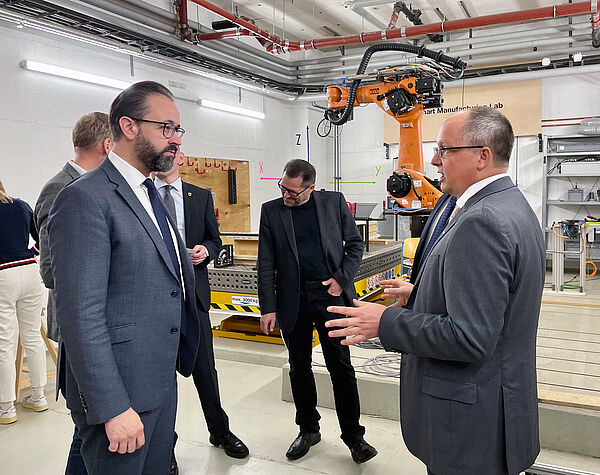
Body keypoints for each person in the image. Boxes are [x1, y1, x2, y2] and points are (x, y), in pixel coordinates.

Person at [326, 107, 545, 475]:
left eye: (444, 150)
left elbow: (470, 338)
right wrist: (420, 294)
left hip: (469, 425)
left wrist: (386, 321)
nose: (433, 160)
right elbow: (495, 306)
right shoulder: (510, 206)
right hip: (495, 407)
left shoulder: (481, 222)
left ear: (482, 156)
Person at [48, 81, 200, 475]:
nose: (174, 140)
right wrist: (112, 405)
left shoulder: (149, 193)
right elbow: (80, 315)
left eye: (177, 130)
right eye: (166, 128)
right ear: (129, 127)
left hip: (158, 378)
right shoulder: (85, 198)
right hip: (121, 391)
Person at [257, 159, 377, 464]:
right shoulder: (271, 211)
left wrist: (341, 279)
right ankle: (308, 430)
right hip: (292, 301)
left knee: (341, 367)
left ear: (310, 187)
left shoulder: (333, 203)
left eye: (294, 192)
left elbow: (354, 245)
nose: (287, 196)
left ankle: (354, 437)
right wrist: (267, 307)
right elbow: (266, 262)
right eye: (283, 188)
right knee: (299, 367)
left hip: (330, 297)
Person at [154, 152, 249, 472]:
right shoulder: (143, 194)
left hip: (193, 298)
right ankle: (163, 444)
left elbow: (214, 238)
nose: (166, 157)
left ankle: (220, 431)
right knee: (161, 379)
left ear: (180, 157)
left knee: (205, 370)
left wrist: (206, 250)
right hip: (155, 302)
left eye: (171, 152)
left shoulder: (201, 196)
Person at [34, 111, 112, 475]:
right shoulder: (61, 188)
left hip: (97, 318)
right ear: (107, 145)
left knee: (95, 424)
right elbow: (51, 270)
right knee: (89, 425)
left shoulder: (94, 186)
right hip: (77, 323)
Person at [0, 180, 47, 424]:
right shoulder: (20, 205)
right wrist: (33, 256)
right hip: (29, 271)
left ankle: (6, 408)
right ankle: (38, 396)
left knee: (4, 343)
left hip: (2, 276)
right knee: (32, 336)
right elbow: (41, 237)